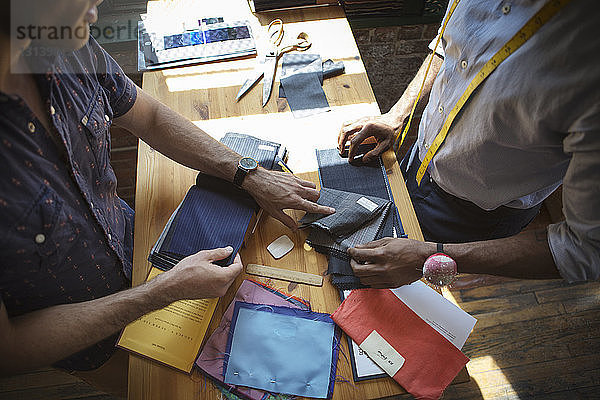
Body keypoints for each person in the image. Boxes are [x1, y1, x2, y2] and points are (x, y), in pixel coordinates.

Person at [0, 0, 334, 393]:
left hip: (147, 252)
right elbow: (8, 350)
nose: (95, 13)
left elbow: (150, 117)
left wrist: (246, 172)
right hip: (93, 341)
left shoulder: (59, 40)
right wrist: (165, 291)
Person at [338, 0, 599, 288]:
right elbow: (449, 44)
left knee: (403, 296)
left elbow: (587, 248)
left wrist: (434, 256)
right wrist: (399, 115)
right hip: (417, 161)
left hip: (475, 217)